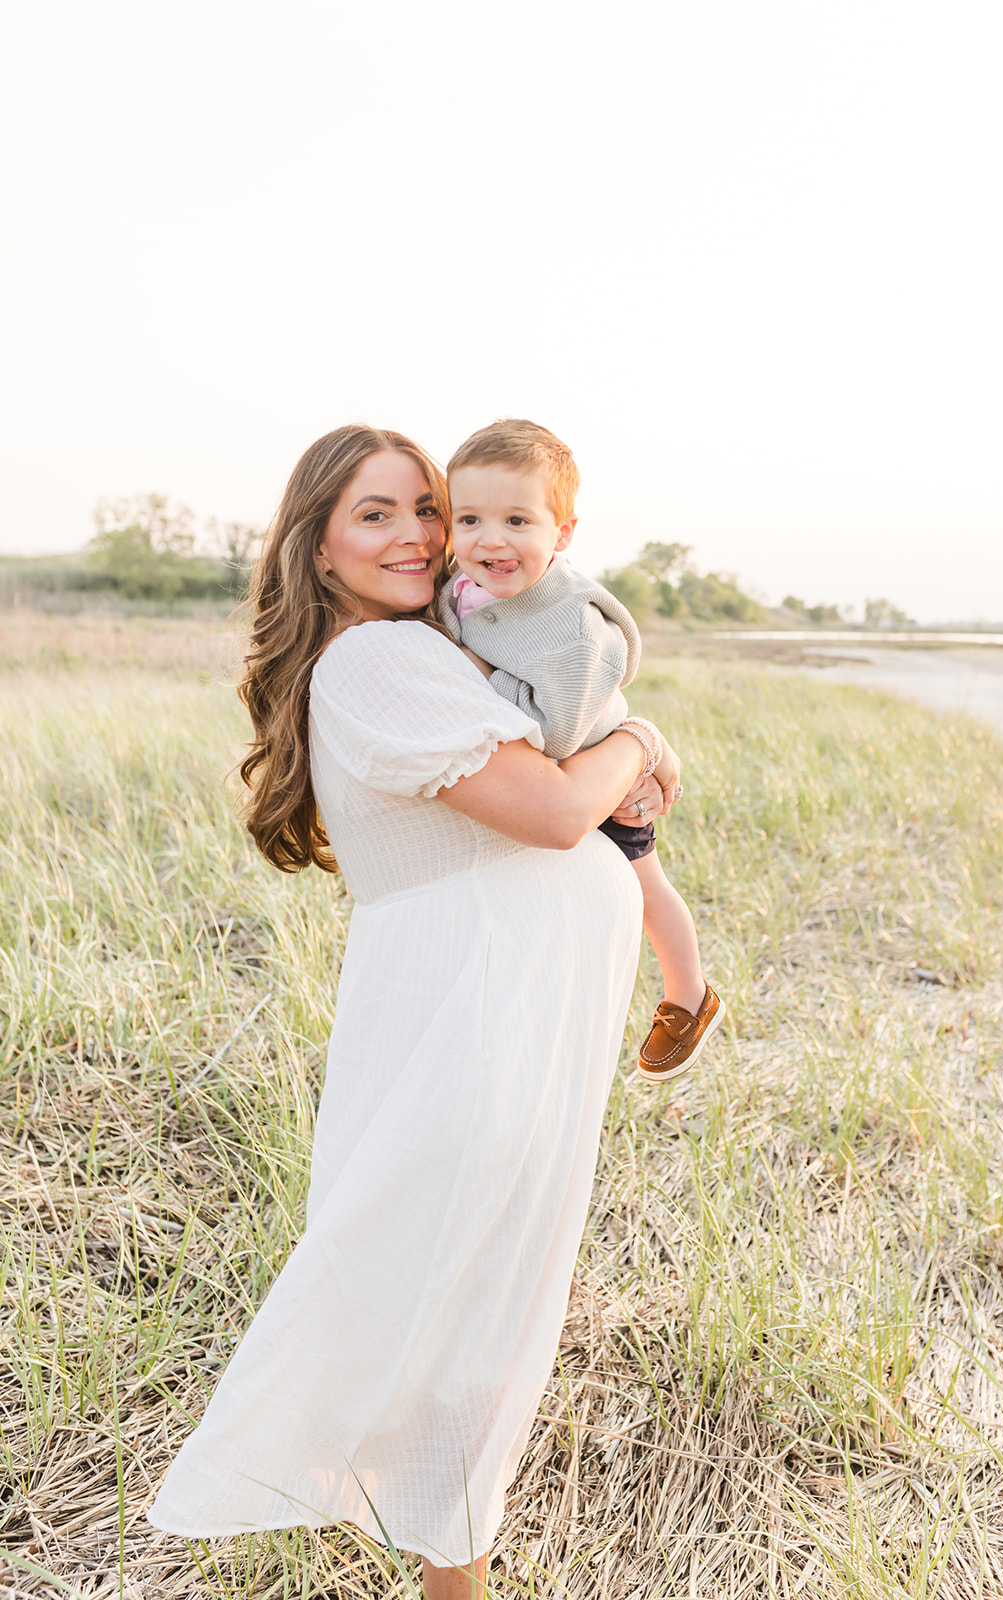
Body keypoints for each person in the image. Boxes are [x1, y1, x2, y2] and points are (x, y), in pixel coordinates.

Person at [148, 424, 680, 1600]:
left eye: (424, 510)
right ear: (317, 543)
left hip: (497, 1019)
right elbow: (548, 813)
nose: (418, 537)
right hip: (476, 1026)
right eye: (373, 514)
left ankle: (453, 1578)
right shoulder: (375, 662)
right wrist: (641, 735)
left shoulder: (421, 649)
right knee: (468, 1339)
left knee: (475, 1338)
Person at [442, 418, 724, 1083]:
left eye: (517, 521)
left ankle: (688, 995)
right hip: (552, 781)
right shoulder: (459, 587)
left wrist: (477, 677)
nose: (491, 540)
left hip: (600, 775)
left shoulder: (571, 627)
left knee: (645, 883)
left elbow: (558, 733)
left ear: (561, 533)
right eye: (470, 520)